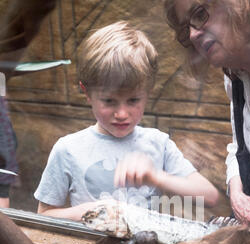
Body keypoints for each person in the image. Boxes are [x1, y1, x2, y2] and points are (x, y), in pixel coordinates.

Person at [34, 21, 219, 221]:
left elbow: (209, 196)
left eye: (133, 100)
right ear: (87, 93)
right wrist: (93, 211)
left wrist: (157, 176)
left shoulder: (158, 143)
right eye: (109, 101)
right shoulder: (68, 149)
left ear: (148, 93)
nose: (122, 113)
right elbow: (44, 215)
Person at [162, 0, 250, 233]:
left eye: (200, 14)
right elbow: (240, 148)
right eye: (186, 28)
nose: (193, 34)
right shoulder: (236, 75)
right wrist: (237, 192)